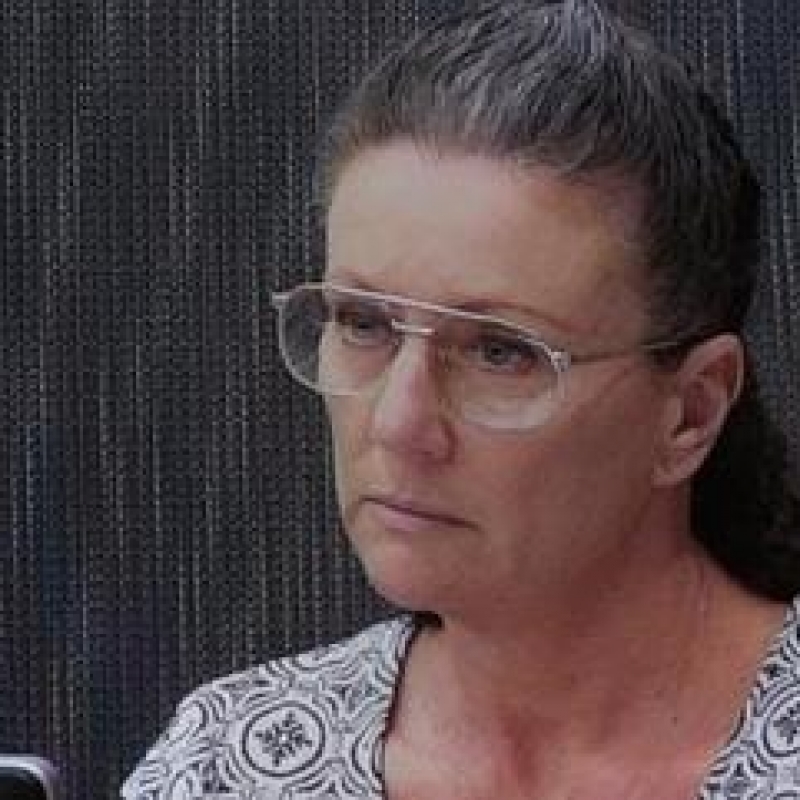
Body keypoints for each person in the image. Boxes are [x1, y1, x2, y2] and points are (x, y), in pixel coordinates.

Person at [122, 0, 800, 797]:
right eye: (364, 323)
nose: (398, 424)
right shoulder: (228, 765)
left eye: (500, 352)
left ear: (690, 414)